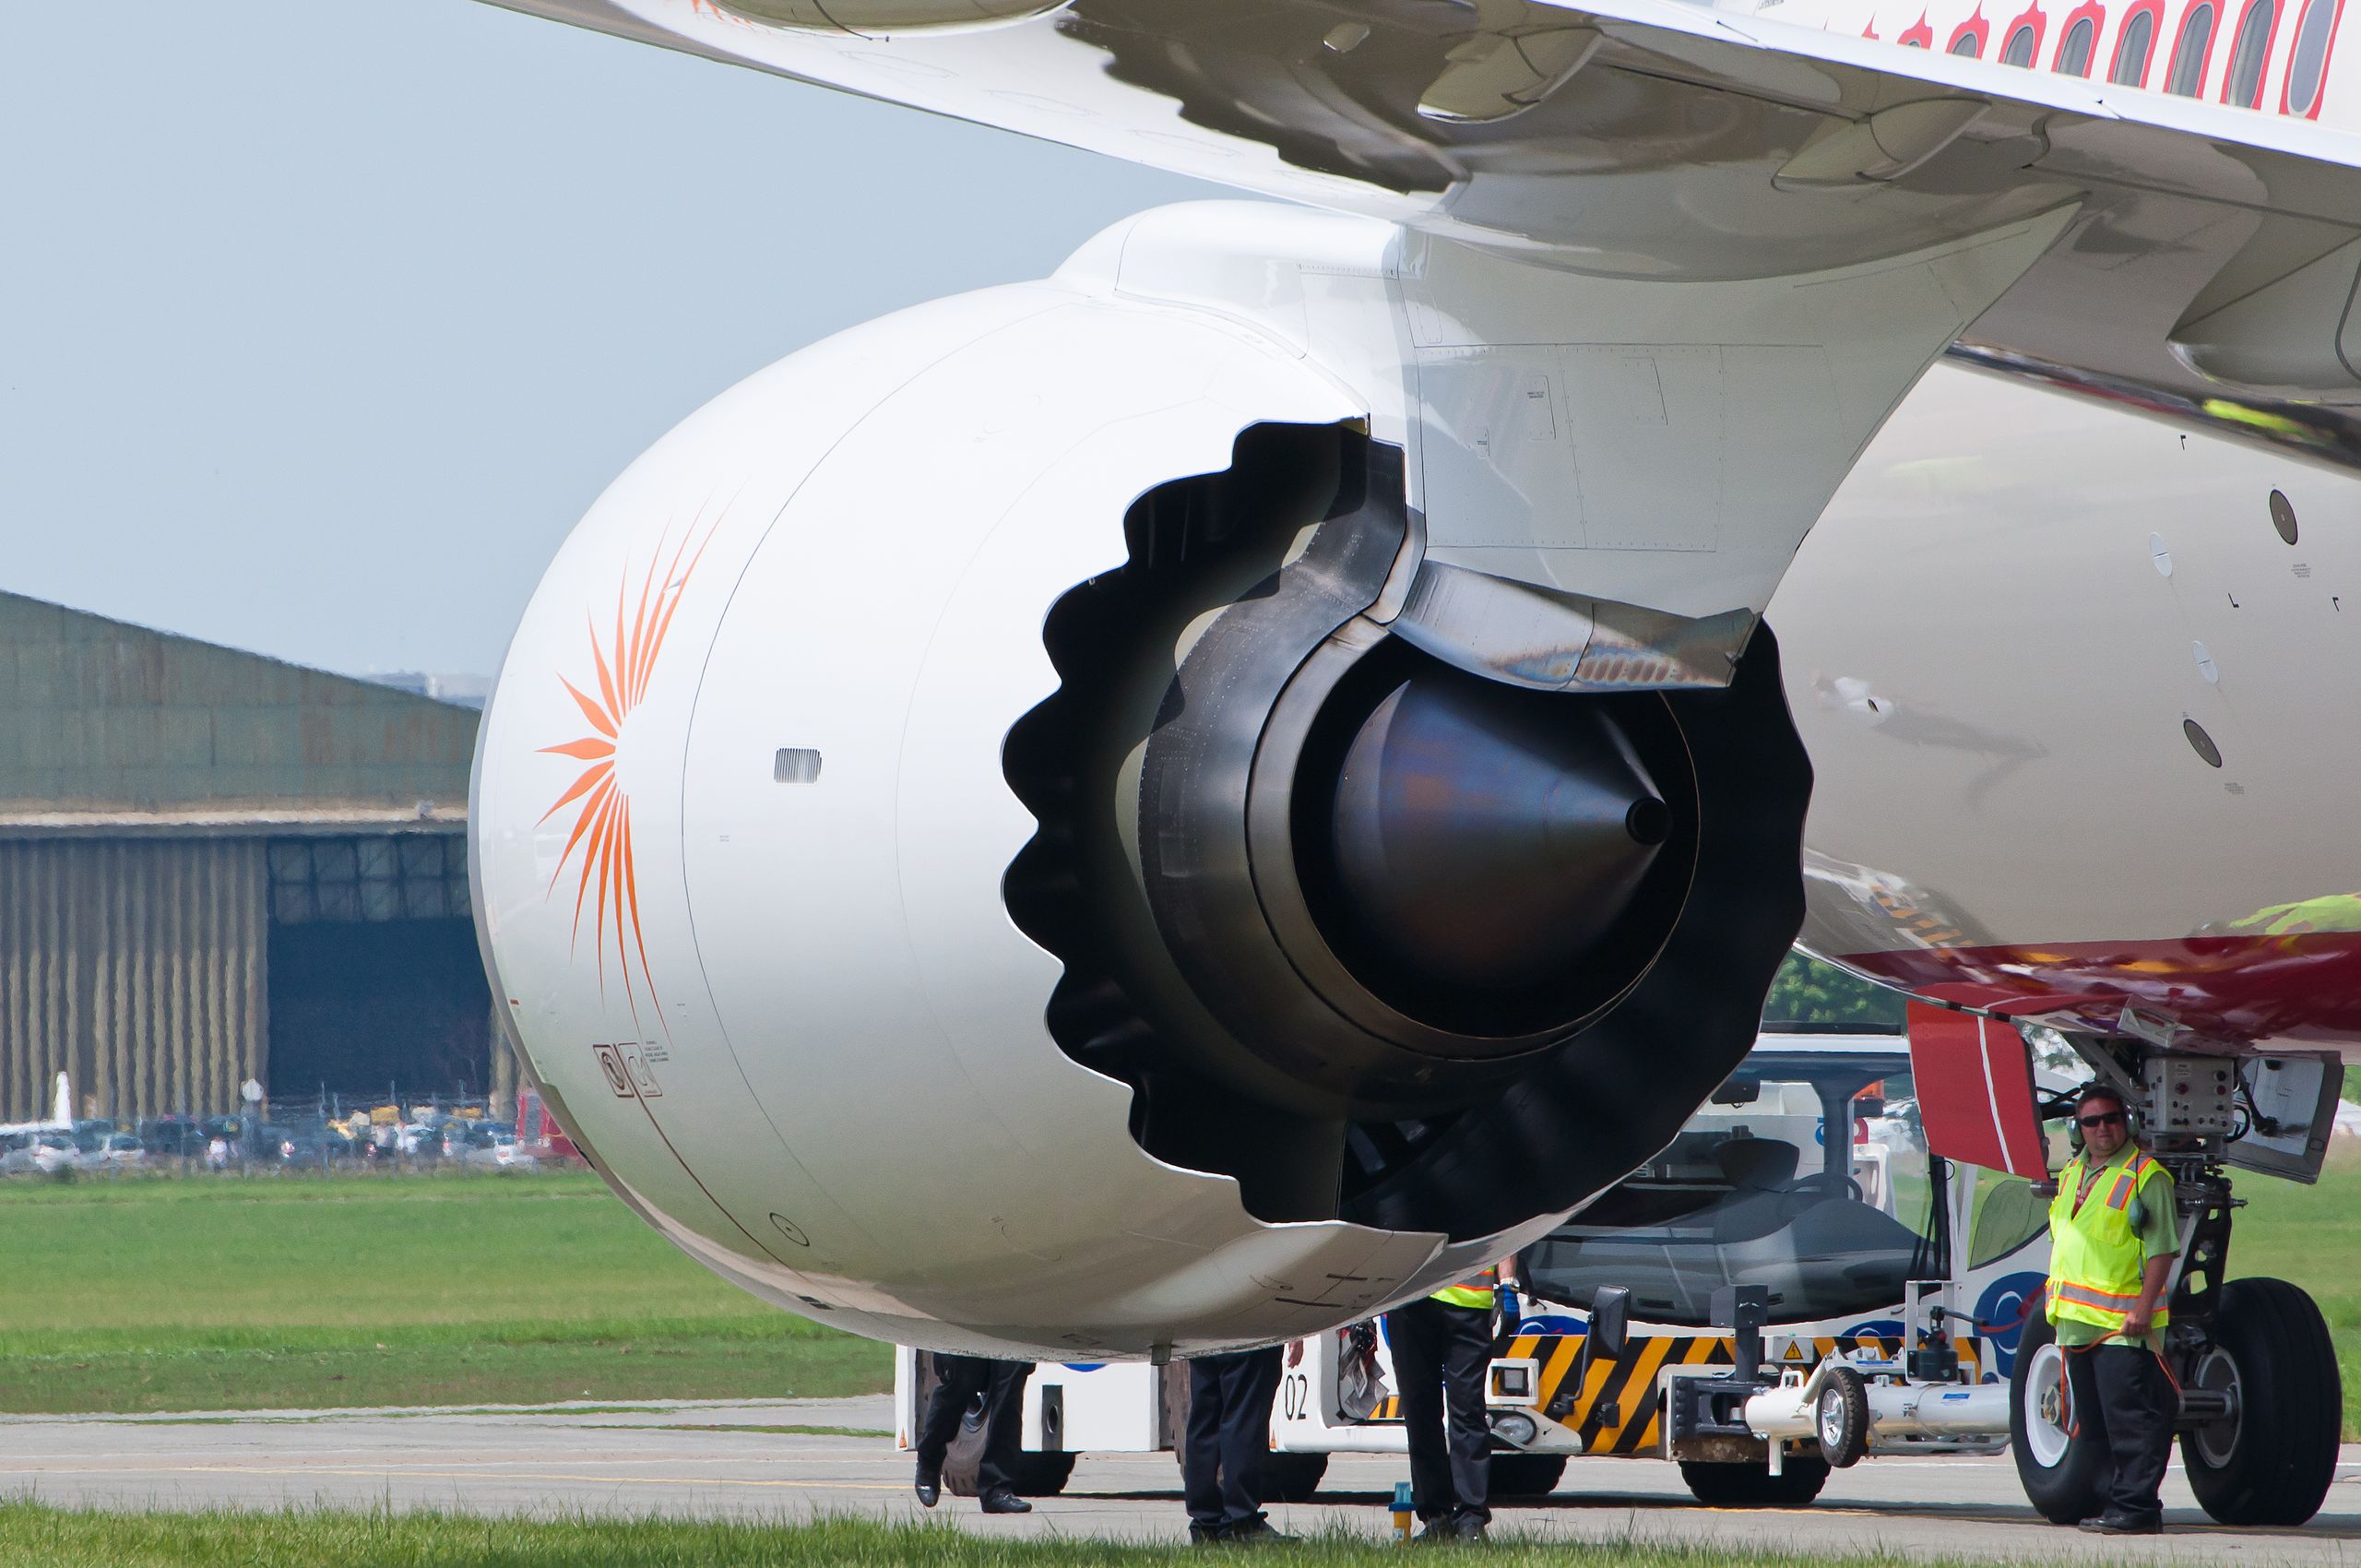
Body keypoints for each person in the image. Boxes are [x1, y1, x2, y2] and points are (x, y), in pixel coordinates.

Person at [2047, 1084, 2179, 1536]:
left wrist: (2143, 1310)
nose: (2103, 1128)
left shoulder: (2147, 1177)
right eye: (2092, 1121)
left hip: (2123, 1324)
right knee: (2098, 1425)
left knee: (2132, 1421)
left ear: (2128, 1123)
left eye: (2112, 1119)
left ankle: (2137, 1507)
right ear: (2078, 1129)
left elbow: (2162, 1251)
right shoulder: (2071, 1175)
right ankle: (2114, 1503)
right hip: (2078, 1324)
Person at [1386, 1255, 1519, 1542]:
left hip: (1469, 1303)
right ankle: (1437, 1519)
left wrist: (1508, 1284)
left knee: (1468, 1410)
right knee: (1419, 1411)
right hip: (1410, 1299)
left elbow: (1505, 1220)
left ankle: (1471, 1518)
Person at [1180, 1347, 1292, 1544]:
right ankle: (1241, 1521)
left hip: (1203, 1328)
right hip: (1250, 1329)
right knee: (1244, 1416)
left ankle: (1206, 1522)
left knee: (1205, 1418)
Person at [911, 1352, 1036, 1515]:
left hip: (1012, 1329)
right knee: (963, 1380)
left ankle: (996, 1489)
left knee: (1009, 1392)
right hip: (972, 1330)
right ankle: (929, 1460)